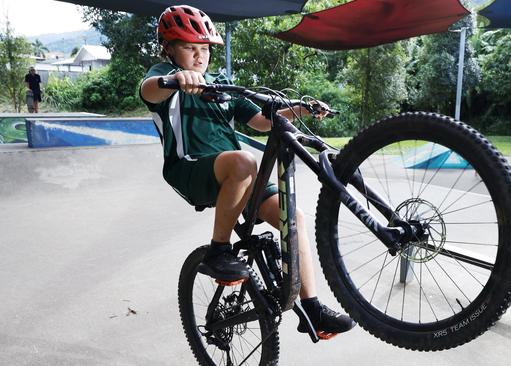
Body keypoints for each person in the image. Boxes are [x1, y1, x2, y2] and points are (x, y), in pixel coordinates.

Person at [139, 5, 355, 338]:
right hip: (191, 168)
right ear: (169, 49)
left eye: (205, 49)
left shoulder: (221, 88)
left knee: (291, 216)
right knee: (244, 160)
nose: (199, 57)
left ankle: (311, 308)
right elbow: (148, 89)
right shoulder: (166, 76)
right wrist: (176, 80)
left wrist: (300, 109)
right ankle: (218, 250)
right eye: (190, 48)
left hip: (235, 174)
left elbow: (261, 121)